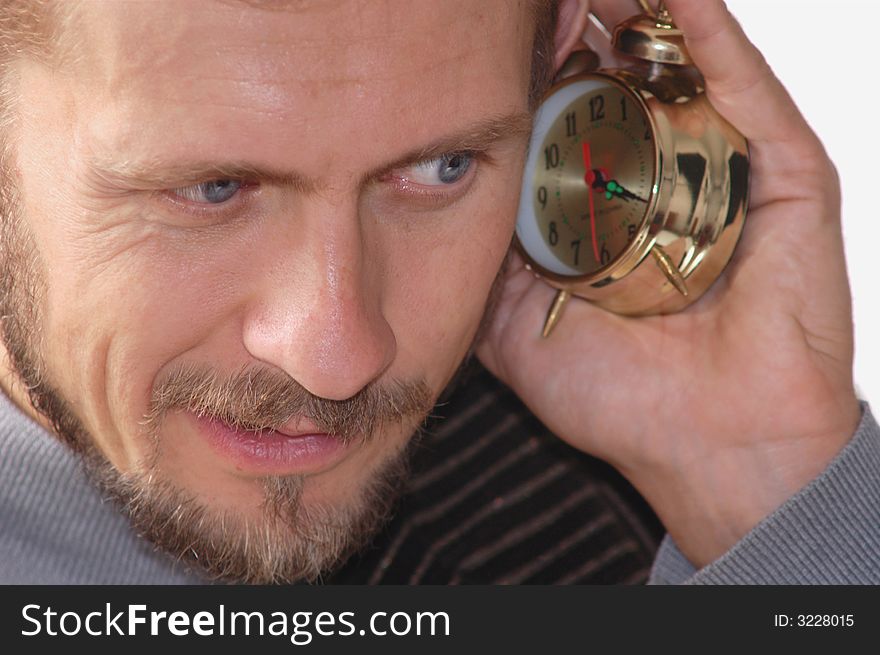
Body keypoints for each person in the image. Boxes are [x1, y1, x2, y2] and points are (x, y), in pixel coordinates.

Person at [0, 0, 876, 585]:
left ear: (560, 51)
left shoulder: (604, 508)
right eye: (213, 189)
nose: (339, 356)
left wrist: (771, 504)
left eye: (441, 168)